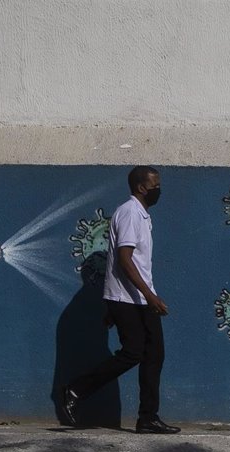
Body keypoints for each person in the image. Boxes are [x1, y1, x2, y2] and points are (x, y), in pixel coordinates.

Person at [62, 166, 180, 434]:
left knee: (154, 354)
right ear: (141, 187)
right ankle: (76, 389)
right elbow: (124, 259)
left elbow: (125, 261)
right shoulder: (129, 213)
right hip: (130, 297)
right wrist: (150, 296)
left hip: (135, 297)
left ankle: (148, 418)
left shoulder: (142, 215)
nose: (158, 190)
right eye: (155, 185)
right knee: (133, 353)